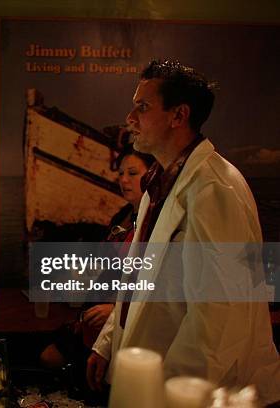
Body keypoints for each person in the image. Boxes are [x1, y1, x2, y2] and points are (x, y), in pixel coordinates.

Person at [86, 60, 280, 405]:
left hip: (200, 392)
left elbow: (218, 319)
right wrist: (109, 342)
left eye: (142, 107)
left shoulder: (215, 190)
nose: (130, 118)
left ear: (179, 115)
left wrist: (171, 394)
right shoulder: (159, 183)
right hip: (153, 379)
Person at [40, 145, 154, 380]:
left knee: (55, 360)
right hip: (93, 313)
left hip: (120, 322)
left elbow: (152, 283)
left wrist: (116, 310)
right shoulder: (123, 216)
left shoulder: (155, 224)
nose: (124, 180)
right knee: (47, 356)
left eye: (132, 173)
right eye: (121, 173)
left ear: (152, 174)